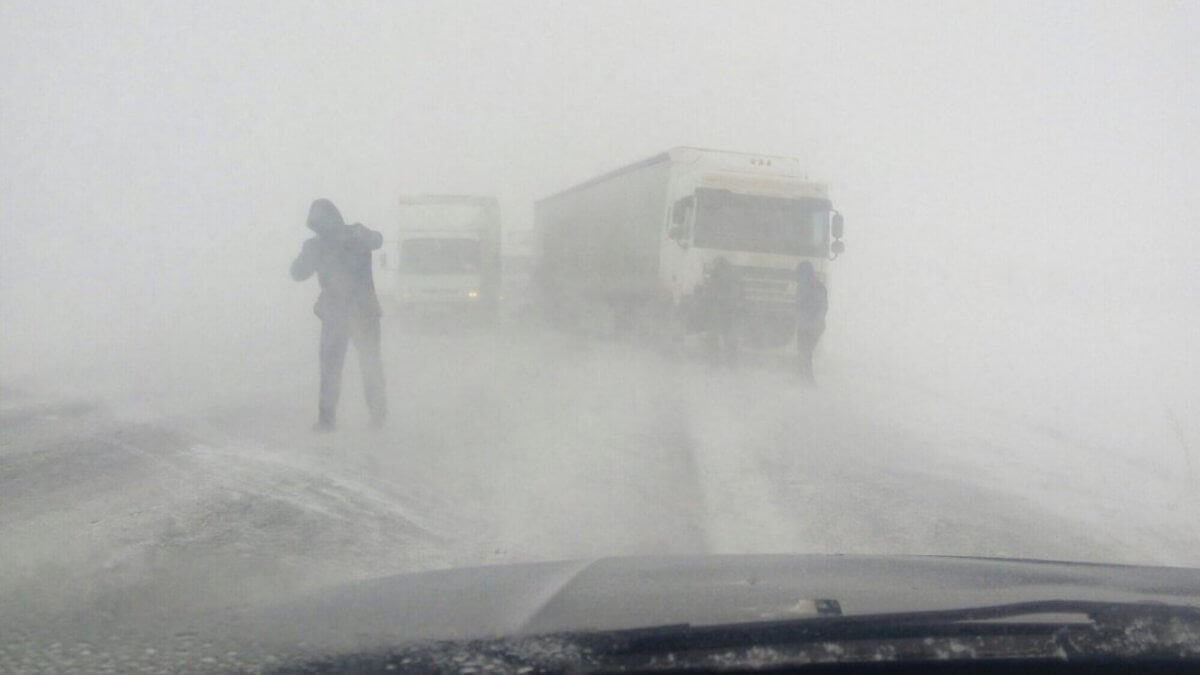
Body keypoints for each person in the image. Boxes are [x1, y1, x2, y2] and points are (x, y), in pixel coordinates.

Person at [291, 199, 387, 431]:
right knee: (367, 365)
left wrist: (312, 253)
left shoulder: (326, 242)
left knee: (334, 368)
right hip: (359, 313)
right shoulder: (353, 234)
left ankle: (328, 420)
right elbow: (377, 239)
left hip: (342, 314)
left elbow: (297, 273)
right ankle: (376, 417)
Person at [699, 257, 743, 368]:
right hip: (726, 313)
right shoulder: (733, 279)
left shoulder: (716, 278)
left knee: (714, 339)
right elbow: (736, 297)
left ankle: (715, 365)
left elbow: (709, 295)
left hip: (718, 313)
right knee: (728, 340)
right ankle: (731, 366)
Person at [794, 260, 828, 384]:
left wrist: (810, 322)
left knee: (805, 353)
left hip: (812, 327)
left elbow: (821, 308)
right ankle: (802, 378)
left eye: (798, 274)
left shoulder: (815, 288)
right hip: (806, 325)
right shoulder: (807, 287)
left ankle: (809, 381)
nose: (796, 277)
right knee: (803, 352)